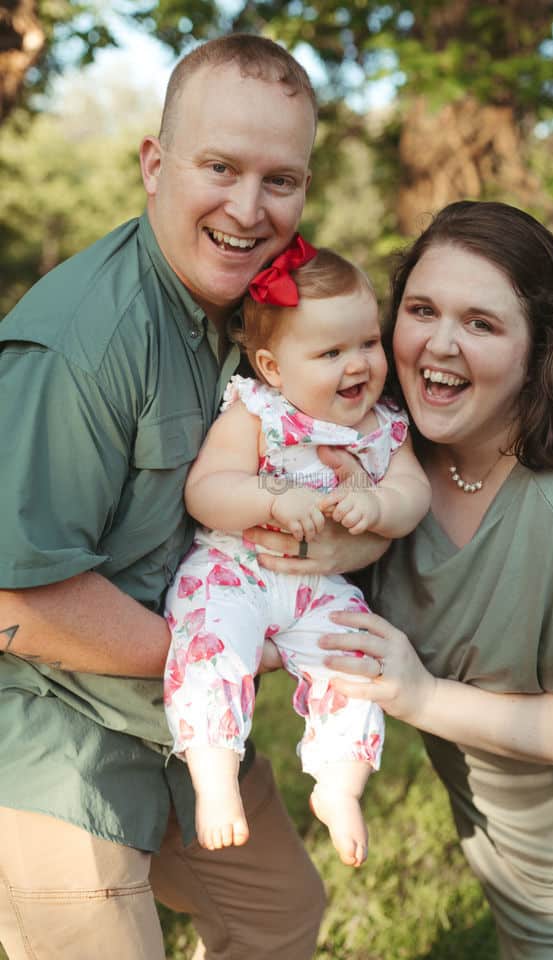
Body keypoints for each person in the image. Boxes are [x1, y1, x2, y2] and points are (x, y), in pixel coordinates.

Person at [0, 34, 388, 960]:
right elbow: (11, 601)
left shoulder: (267, 318)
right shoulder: (79, 346)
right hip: (53, 730)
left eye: (280, 180)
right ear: (154, 163)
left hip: (185, 725)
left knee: (281, 918)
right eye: (219, 167)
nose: (248, 209)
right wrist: (223, 655)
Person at [309, 200, 553, 959]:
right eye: (421, 310)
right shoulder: (390, 445)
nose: (439, 345)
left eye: (482, 324)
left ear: (542, 347)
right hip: (514, 872)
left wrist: (422, 697)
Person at [163, 242, 431, 868]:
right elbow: (206, 490)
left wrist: (381, 507)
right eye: (331, 352)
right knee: (210, 649)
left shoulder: (383, 426)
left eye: (367, 343)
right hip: (235, 568)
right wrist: (272, 497)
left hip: (321, 587)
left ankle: (340, 786)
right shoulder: (259, 410)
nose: (358, 364)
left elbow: (412, 492)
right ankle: (214, 775)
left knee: (355, 660)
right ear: (273, 367)